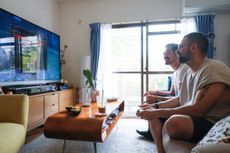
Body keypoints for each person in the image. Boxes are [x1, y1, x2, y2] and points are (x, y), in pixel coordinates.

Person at [136, 32, 230, 153]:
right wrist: (154, 107)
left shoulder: (213, 68)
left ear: (193, 47)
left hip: (212, 122)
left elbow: (199, 110)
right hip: (196, 117)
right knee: (153, 116)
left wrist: (157, 111)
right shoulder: (189, 72)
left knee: (174, 123)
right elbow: (180, 99)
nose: (178, 51)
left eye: (181, 46)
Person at [136, 43, 188, 140]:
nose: (164, 55)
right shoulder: (175, 72)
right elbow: (171, 93)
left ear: (177, 53)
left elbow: (180, 98)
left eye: (168, 52)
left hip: (180, 105)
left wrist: (155, 98)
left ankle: (153, 132)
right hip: (176, 101)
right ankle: (151, 132)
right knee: (149, 100)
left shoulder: (184, 70)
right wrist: (155, 92)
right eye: (164, 53)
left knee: (150, 103)